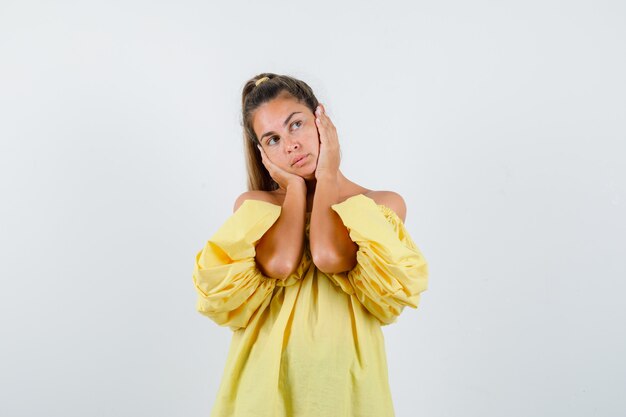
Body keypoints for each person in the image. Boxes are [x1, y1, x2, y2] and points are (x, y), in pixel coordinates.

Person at [192, 73, 429, 417]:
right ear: (261, 153)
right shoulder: (255, 207)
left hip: (345, 389)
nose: (289, 145)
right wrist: (295, 190)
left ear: (322, 120)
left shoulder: (381, 206)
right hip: (264, 391)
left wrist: (328, 173)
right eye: (272, 139)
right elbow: (282, 264)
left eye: (296, 125)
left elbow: (329, 255)